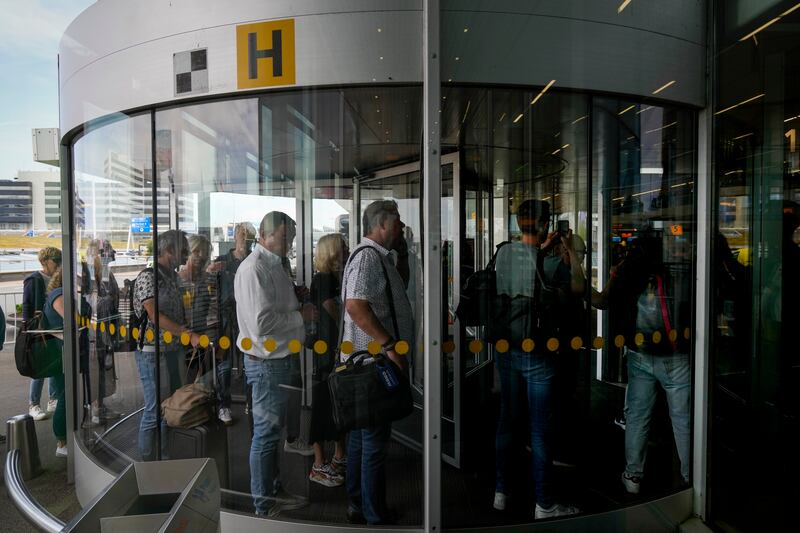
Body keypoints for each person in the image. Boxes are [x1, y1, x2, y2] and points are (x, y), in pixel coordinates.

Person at [492, 199, 582, 519]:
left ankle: (501, 491)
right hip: (538, 354)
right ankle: (544, 503)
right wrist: (569, 253)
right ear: (545, 225)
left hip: (506, 349)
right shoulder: (552, 264)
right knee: (539, 429)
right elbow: (577, 292)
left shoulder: (503, 253)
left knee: (507, 421)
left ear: (519, 224)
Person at [593, 229, 692, 494]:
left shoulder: (627, 274)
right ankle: (689, 475)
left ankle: (633, 476)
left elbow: (602, 301)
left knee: (637, 416)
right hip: (675, 356)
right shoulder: (677, 273)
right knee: (682, 418)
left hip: (639, 354)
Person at [235, 211, 316, 517]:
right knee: (266, 437)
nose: (290, 242)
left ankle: (273, 492)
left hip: (278, 361)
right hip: (268, 364)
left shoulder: (273, 266)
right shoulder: (254, 269)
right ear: (265, 234)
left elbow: (270, 309)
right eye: (286, 236)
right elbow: (261, 323)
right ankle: (263, 506)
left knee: (273, 434)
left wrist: (294, 300)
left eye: (291, 236)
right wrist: (301, 316)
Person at [341, 200, 415, 525]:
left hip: (370, 363)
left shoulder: (379, 257)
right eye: (397, 221)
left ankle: (358, 505)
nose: (400, 226)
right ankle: (374, 514)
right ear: (381, 224)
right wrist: (389, 346)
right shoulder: (369, 257)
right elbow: (356, 306)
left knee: (361, 437)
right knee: (373, 441)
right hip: (373, 366)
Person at [132, 230, 201, 461]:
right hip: (154, 353)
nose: (186, 254)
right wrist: (185, 332)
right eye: (183, 250)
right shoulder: (148, 277)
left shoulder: (172, 276)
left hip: (172, 351)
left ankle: (164, 458)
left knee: (169, 408)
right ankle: (147, 464)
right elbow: (153, 314)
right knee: (154, 410)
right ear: (169, 250)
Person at [307, 233, 349, 487]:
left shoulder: (334, 278)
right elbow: (333, 311)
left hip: (333, 351)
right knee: (322, 406)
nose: (346, 249)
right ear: (332, 251)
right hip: (326, 354)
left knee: (333, 405)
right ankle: (318, 464)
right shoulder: (323, 279)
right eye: (342, 246)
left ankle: (338, 455)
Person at [208, 222, 257, 425]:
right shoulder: (223, 261)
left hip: (247, 318)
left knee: (249, 362)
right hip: (227, 319)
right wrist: (211, 270)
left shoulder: (254, 261)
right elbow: (207, 284)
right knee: (225, 365)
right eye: (242, 235)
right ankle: (224, 405)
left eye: (248, 236)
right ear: (235, 236)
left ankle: (250, 402)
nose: (244, 240)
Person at [81, 239, 120, 427]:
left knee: (105, 367)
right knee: (95, 368)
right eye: (107, 252)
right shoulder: (89, 274)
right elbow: (92, 301)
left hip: (105, 328)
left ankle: (100, 405)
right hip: (94, 330)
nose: (111, 255)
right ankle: (95, 407)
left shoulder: (104, 273)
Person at [23, 247, 61, 422]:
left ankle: (53, 399)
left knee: (54, 364)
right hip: (39, 330)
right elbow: (27, 306)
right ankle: (34, 403)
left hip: (53, 329)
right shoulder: (34, 279)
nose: (58, 264)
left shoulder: (57, 278)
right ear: (45, 261)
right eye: (56, 260)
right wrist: (28, 331)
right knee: (39, 368)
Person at [41, 267, 67, 457]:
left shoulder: (58, 294)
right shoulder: (58, 294)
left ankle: (65, 438)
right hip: (61, 353)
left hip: (64, 351)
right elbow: (70, 318)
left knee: (66, 395)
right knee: (64, 397)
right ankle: (61, 442)